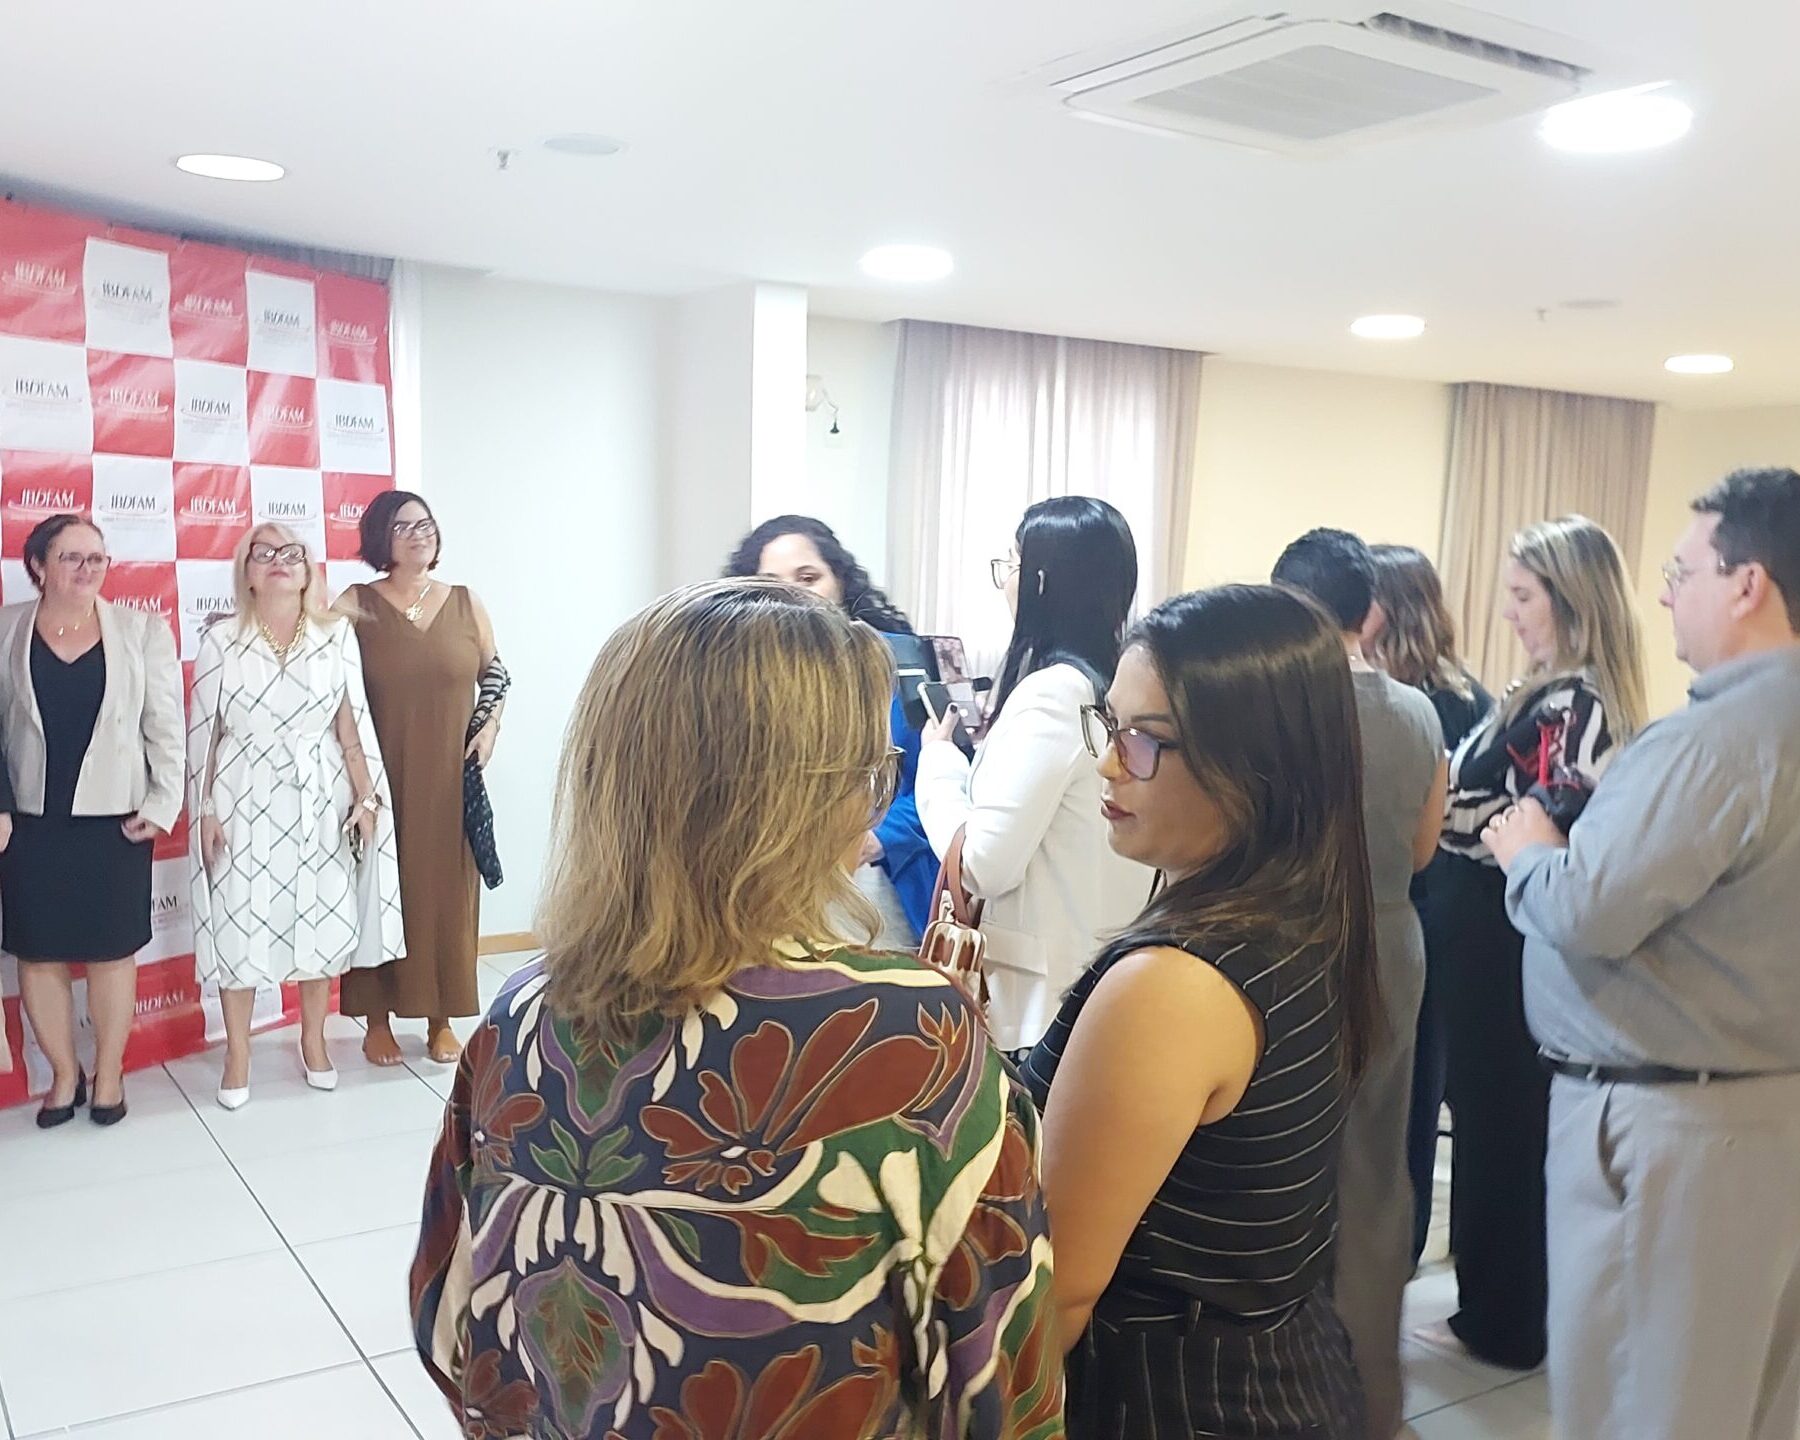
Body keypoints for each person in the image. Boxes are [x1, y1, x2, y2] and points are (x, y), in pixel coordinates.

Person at [409, 579, 1061, 1438]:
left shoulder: (518, 1016)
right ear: (808, 800)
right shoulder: (913, 1040)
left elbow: (448, 1328)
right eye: (875, 773)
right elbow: (1003, 1388)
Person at [1486, 467, 1800, 1440]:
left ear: (1747, 584)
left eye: (1679, 572)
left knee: (1643, 1402)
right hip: (1761, 1101)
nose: (1664, 596)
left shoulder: (1718, 741)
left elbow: (1588, 908)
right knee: (1741, 1393)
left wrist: (1528, 852)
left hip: (1675, 1124)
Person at [1021, 584, 1379, 1437]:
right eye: (1110, 726)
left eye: (1146, 741)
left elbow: (1059, 1287)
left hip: (1172, 1398)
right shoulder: (1304, 910)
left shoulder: (1174, 984)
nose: (1109, 764)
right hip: (1283, 1369)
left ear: (1252, 766)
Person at [1431, 514, 1646, 1371]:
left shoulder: (1576, 703)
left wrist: (1444, 810)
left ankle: (1507, 1319)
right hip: (1487, 929)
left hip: (1502, 934)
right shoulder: (1547, 691)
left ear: (1571, 600)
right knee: (1494, 1125)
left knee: (1503, 1129)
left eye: (1523, 596)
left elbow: (1551, 820)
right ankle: (1500, 1308)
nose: (1509, 612)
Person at [1273, 529, 1446, 1438]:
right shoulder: (1416, 713)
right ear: (1370, 612)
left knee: (1281, 1156)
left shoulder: (1276, 702)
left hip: (1294, 935)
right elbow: (1423, 849)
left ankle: (1285, 1383)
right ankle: (1374, 1396)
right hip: (1392, 937)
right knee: (1376, 1166)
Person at [914, 495, 1151, 1052]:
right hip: (1097, 977)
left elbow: (983, 865)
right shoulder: (1117, 686)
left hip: (1036, 1009)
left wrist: (940, 765)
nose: (1006, 581)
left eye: (1013, 564)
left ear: (1041, 580)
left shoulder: (1052, 693)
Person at [188, 525, 404, 1109]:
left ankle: (313, 1040)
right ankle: (238, 1053)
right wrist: (204, 808)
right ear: (247, 572)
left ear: (309, 571)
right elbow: (205, 737)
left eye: (291, 553)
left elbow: (351, 726)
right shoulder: (221, 640)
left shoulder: (335, 635)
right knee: (238, 922)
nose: (279, 562)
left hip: (319, 796)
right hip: (241, 795)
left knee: (319, 917)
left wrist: (366, 798)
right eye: (264, 554)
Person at [0, 514, 183, 1127]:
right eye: (72, 557)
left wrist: (162, 803)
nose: (87, 569)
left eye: (97, 558)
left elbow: (165, 726)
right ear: (38, 565)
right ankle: (63, 1075)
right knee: (38, 954)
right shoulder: (6, 628)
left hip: (115, 821)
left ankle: (108, 1073)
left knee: (111, 952)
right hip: (29, 821)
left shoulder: (141, 630)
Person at [1362, 543, 1495, 1264]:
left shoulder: (1400, 704)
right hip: (1445, 909)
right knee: (1418, 1082)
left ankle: (1386, 1243)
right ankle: (1403, 1244)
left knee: (1395, 1089)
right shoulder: (1472, 698)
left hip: (1408, 903)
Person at [339, 491, 502, 1068]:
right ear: (380, 537)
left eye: (426, 524)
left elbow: (495, 673)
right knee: (379, 890)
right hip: (377, 777)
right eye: (403, 526)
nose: (418, 534)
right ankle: (376, 1021)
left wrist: (489, 727)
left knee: (446, 894)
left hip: (450, 778)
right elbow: (316, 665)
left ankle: (441, 1019)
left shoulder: (464, 601)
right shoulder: (355, 603)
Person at [723, 515, 934, 944]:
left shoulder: (897, 663)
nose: (793, 594)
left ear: (840, 580)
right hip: (765, 891)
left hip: (875, 881)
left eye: (808, 577)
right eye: (771, 582)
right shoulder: (732, 678)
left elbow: (940, 782)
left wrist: (874, 838)